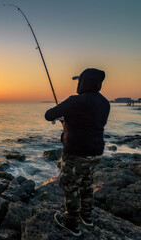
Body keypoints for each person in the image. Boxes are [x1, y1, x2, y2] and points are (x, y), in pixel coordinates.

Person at [44, 68, 110, 236]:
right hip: (96, 153)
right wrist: (68, 119)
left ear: (84, 82)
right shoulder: (105, 103)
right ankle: (86, 217)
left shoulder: (75, 101)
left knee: (71, 187)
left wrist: (64, 116)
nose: (78, 84)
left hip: (76, 153)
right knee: (86, 184)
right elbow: (88, 122)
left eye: (79, 81)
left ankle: (71, 223)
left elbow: (49, 115)